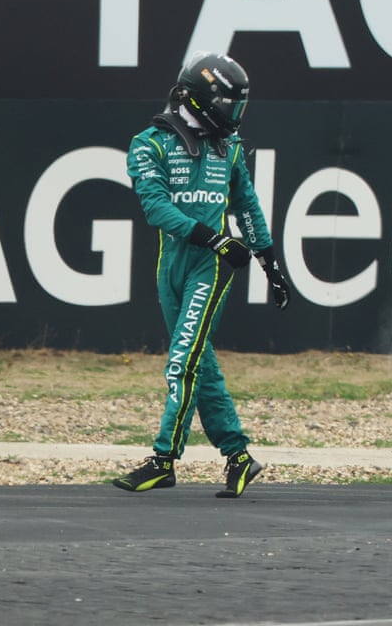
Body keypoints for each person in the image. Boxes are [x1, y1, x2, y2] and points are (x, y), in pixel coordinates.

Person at [114, 50, 292, 498]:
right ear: (197, 100)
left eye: (239, 107)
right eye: (228, 106)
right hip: (172, 265)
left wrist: (270, 263)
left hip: (211, 268)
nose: (234, 117)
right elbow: (156, 209)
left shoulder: (228, 147)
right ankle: (238, 456)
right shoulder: (148, 144)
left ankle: (163, 460)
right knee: (201, 365)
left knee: (182, 362)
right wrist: (214, 237)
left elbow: (246, 206)